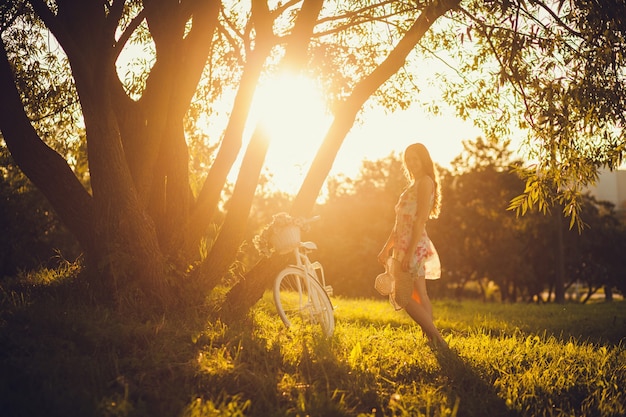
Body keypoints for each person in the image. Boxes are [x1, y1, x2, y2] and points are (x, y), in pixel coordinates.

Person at [378, 143, 446, 347]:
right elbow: (400, 223)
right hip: (403, 245)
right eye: (408, 159)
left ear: (424, 160)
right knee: (419, 293)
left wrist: (409, 253)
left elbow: (420, 220)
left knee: (403, 297)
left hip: (413, 246)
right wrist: (386, 247)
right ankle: (432, 339)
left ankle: (437, 338)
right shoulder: (413, 185)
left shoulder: (425, 182)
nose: (411, 163)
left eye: (415, 158)